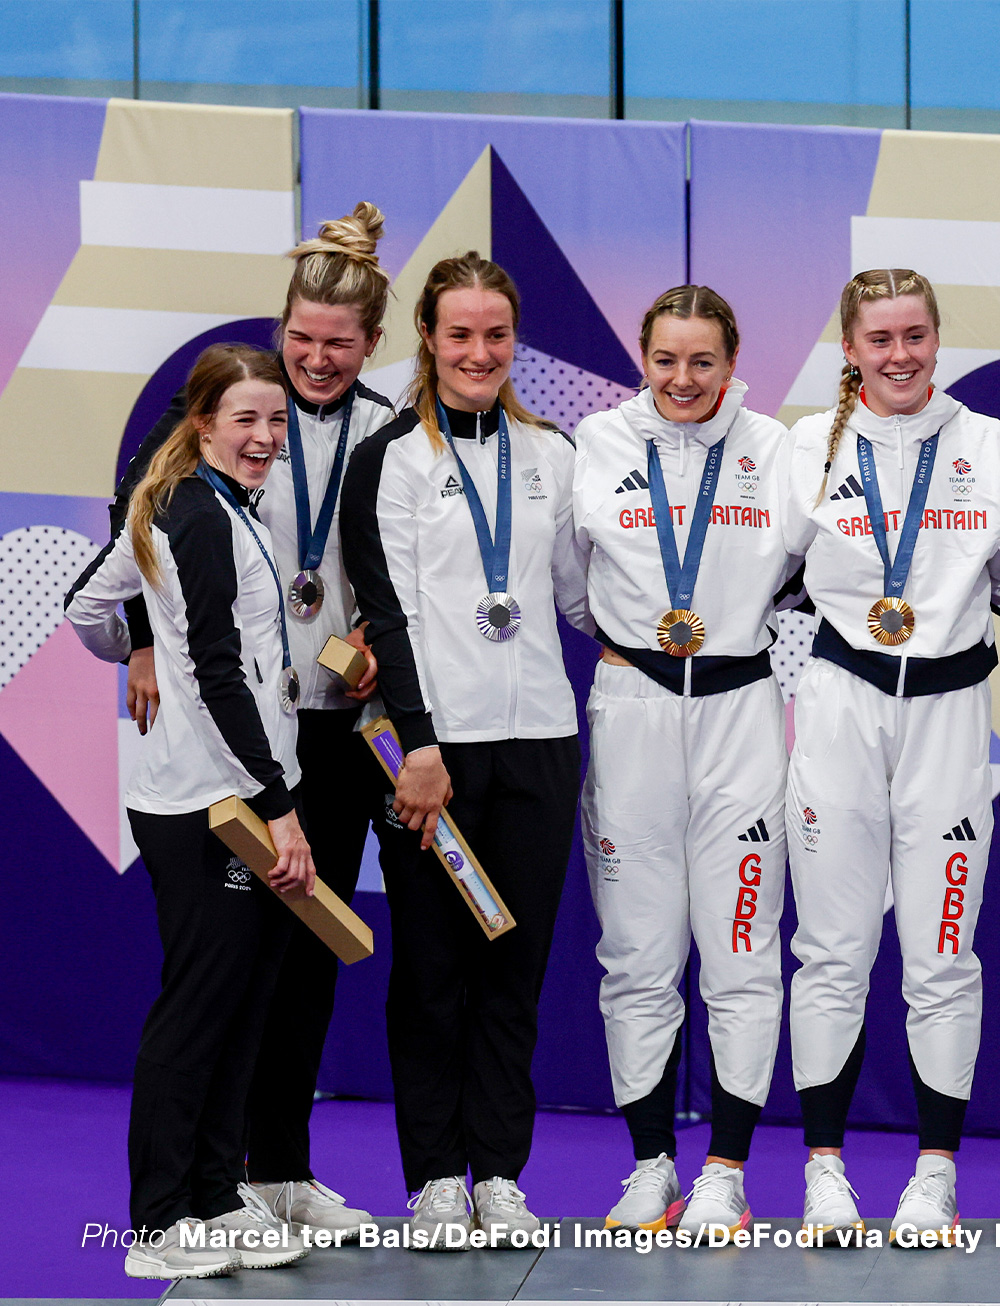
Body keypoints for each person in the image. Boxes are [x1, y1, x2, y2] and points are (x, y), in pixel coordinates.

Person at [88, 205, 396, 1234]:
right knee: (219, 976)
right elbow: (138, 553)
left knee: (292, 965)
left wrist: (385, 665)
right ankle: (197, 1197)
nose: (314, 359)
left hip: (331, 725)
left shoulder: (388, 425)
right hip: (239, 744)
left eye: (337, 344)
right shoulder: (223, 425)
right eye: (300, 338)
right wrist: (138, 638)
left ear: (370, 347)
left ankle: (270, 1174)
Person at [341, 251, 591, 1248]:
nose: (479, 351)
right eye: (460, 335)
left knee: (515, 967)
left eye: (496, 334)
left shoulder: (553, 454)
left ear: (512, 340)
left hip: (540, 743)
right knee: (435, 967)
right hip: (432, 759)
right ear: (429, 341)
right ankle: (436, 1175)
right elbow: (387, 615)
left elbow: (577, 595)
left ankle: (500, 1174)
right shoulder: (392, 459)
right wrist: (422, 744)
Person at [66, 345, 315, 1279]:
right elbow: (210, 673)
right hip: (207, 806)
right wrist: (278, 805)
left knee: (246, 1001)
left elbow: (97, 602)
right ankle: (159, 1221)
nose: (262, 437)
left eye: (275, 420)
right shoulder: (189, 512)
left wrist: (136, 639)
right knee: (201, 1005)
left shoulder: (222, 507)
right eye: (243, 419)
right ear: (201, 423)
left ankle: (215, 1193)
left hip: (239, 793)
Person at [781, 269, 1000, 1243]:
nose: (901, 356)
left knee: (941, 955)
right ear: (849, 348)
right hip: (839, 703)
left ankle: (933, 1174)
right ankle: (824, 1171)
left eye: (915, 335)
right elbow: (759, 577)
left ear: (935, 338)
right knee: (831, 949)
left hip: (953, 709)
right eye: (880, 340)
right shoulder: (806, 446)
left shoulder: (987, 443)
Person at [569, 285, 799, 1236]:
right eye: (666, 359)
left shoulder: (777, 448)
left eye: (702, 361)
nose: (683, 379)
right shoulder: (598, 444)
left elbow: (803, 570)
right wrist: (631, 646)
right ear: (642, 356)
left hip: (742, 707)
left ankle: (727, 1174)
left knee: (742, 953)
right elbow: (568, 583)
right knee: (636, 955)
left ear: (732, 361)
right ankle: (653, 1165)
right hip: (631, 709)